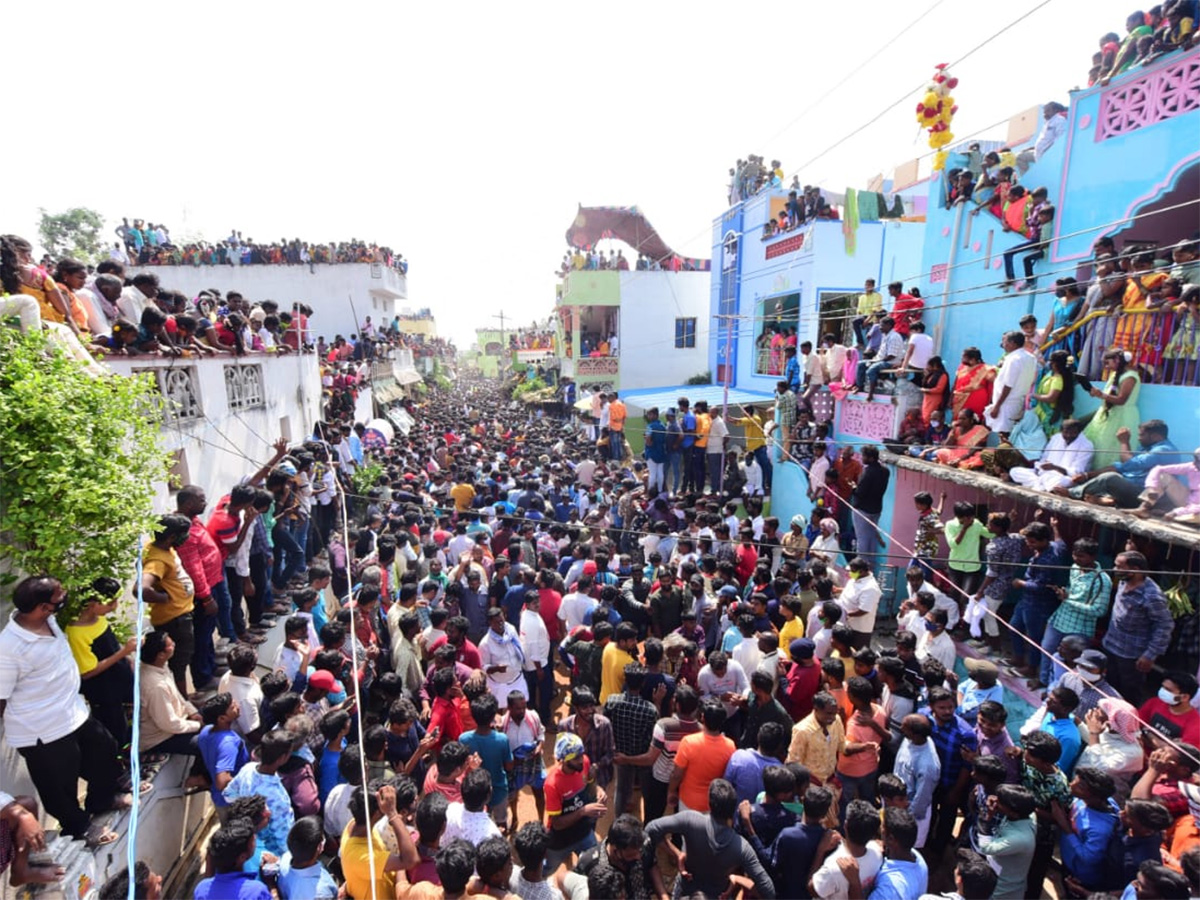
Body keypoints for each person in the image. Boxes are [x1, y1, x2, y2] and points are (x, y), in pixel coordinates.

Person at [0, 577, 124, 847]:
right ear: (43, 607)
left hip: (73, 713)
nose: (65, 598)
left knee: (105, 749)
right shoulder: (9, 648)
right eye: (59, 597)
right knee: (59, 785)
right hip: (41, 729)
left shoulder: (48, 621)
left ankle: (101, 799)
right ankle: (78, 827)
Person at [645, 779, 776, 899]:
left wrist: (676, 853)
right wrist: (737, 879)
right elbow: (768, 889)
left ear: (709, 804)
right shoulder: (741, 847)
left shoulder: (691, 820)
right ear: (733, 809)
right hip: (718, 895)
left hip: (686, 891)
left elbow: (651, 829)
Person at [1102, 550, 1175, 705]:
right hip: (1111, 645)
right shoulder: (1124, 580)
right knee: (1109, 686)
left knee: (1128, 693)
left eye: (1119, 567)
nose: (1114, 570)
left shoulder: (1151, 596)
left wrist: (1150, 654)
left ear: (1134, 570)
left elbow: (1165, 625)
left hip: (1131, 655)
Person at [543, 732, 607, 872]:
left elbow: (590, 785)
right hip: (560, 840)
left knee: (596, 867)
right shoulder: (552, 784)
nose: (581, 759)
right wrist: (583, 811)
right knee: (545, 871)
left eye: (581, 754)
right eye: (576, 757)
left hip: (584, 832)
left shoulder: (584, 762)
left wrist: (598, 790)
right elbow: (557, 824)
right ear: (565, 760)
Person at [985, 331, 1037, 437]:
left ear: (1012, 343)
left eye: (1004, 341)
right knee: (1010, 433)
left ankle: (1004, 453)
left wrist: (997, 406)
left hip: (1007, 402)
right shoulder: (1031, 357)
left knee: (1004, 434)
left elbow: (1008, 385)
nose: (1002, 344)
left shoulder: (1014, 360)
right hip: (1018, 400)